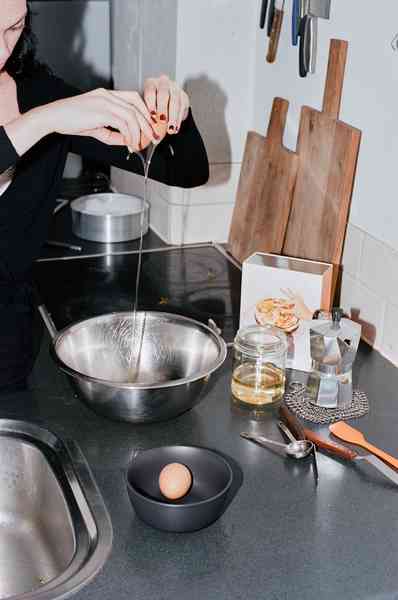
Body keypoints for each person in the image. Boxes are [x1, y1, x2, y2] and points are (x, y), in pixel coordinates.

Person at [0, 0, 210, 392]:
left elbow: (185, 171)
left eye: (13, 28)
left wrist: (174, 110)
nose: (2, 51)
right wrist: (46, 120)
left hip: (9, 352)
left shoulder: (39, 93)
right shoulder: (48, 112)